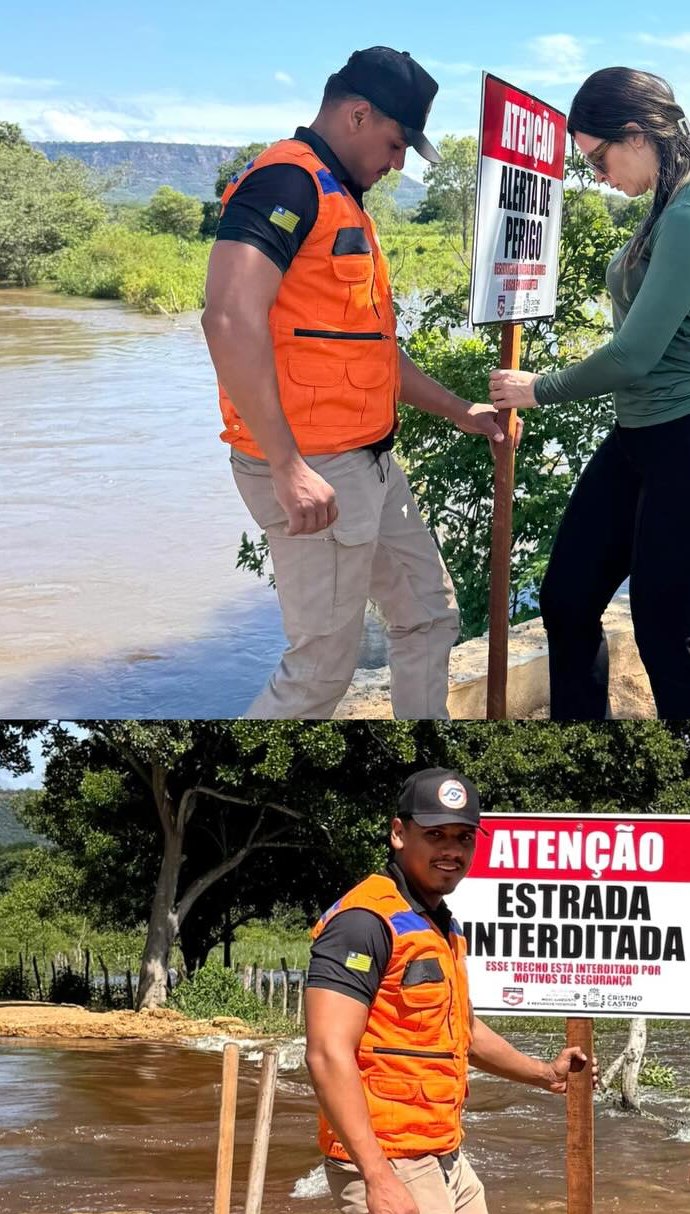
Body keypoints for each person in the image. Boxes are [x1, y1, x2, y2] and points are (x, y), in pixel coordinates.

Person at [203, 48, 514, 721]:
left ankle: (425, 778)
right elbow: (227, 317)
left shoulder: (344, 202)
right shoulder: (288, 184)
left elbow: (365, 354)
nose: (399, 162)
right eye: (396, 142)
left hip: (368, 463)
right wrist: (285, 465)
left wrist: (461, 410)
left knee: (428, 616)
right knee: (319, 673)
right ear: (356, 113)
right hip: (313, 470)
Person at [304, 768, 588, 1214]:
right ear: (400, 833)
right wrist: (377, 1177)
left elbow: (461, 1033)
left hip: (445, 1161)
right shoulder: (363, 924)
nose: (452, 849)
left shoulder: (436, 924)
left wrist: (544, 1074)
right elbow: (326, 1053)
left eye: (464, 837)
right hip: (390, 1161)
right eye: (436, 834)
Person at [488, 68, 690, 720]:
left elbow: (636, 354)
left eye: (599, 157)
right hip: (641, 438)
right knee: (567, 599)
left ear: (636, 135)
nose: (597, 175)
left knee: (666, 637)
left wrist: (539, 389)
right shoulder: (668, 208)